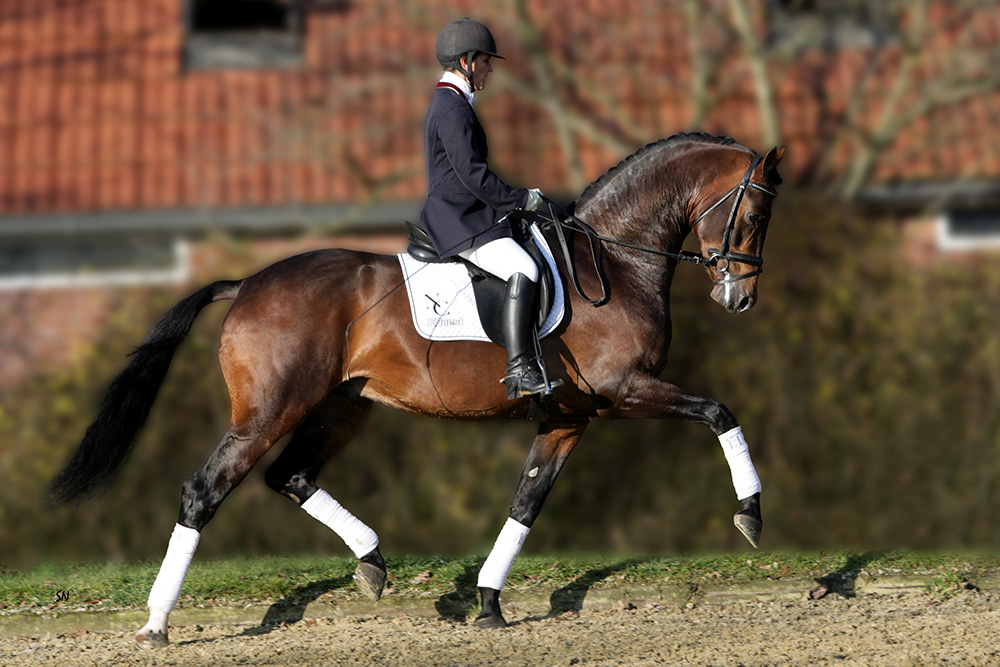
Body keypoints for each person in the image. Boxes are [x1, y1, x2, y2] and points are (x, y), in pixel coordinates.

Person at [420, 18, 562, 400]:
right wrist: (521, 199)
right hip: (458, 219)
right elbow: (472, 175)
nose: (490, 69)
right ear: (466, 62)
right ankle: (519, 369)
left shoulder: (452, 102)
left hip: (467, 213)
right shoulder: (452, 108)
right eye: (485, 61)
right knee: (524, 267)